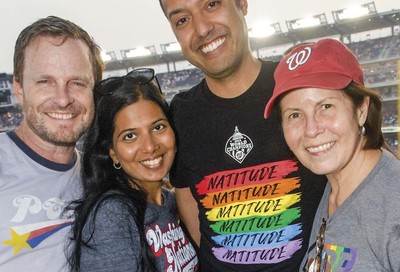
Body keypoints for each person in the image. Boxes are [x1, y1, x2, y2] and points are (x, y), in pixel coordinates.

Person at [159, 0, 327, 270]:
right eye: (182, 20)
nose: (201, 29)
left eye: (212, 4)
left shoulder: (296, 86)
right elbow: (188, 200)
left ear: (242, 4)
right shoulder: (180, 114)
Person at [264, 38, 400, 271]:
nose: (311, 129)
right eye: (295, 115)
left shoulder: (393, 205)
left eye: (325, 106)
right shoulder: (332, 187)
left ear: (361, 110)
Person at [68, 68, 199, 272]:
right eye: (130, 136)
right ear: (112, 152)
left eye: (158, 127)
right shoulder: (112, 214)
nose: (150, 146)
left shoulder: (169, 201)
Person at [0, 16, 104, 271]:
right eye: (45, 82)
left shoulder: (98, 177)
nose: (63, 99)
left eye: (77, 83)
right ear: (20, 88)